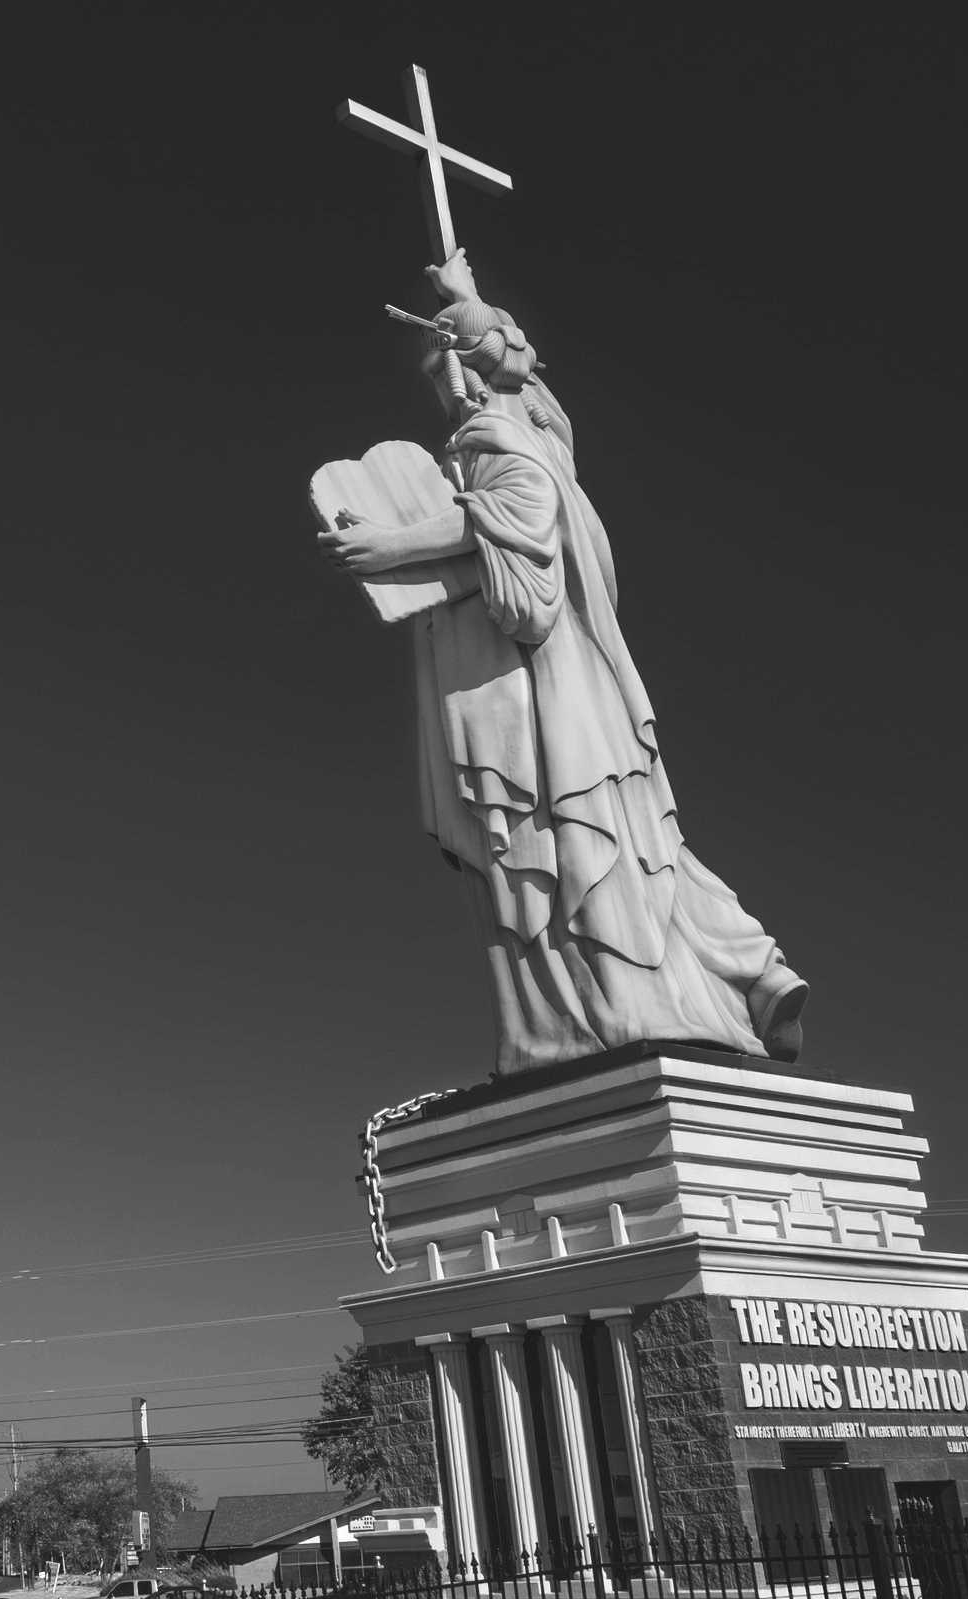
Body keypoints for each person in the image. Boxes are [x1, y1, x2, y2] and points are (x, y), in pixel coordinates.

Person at [317, 252, 807, 1074]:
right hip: (581, 675)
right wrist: (470, 306)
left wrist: (386, 546)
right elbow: (517, 471)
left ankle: (620, 1005)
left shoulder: (500, 438)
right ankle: (745, 969)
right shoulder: (544, 432)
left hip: (539, 682)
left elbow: (514, 519)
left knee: (563, 832)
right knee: (627, 829)